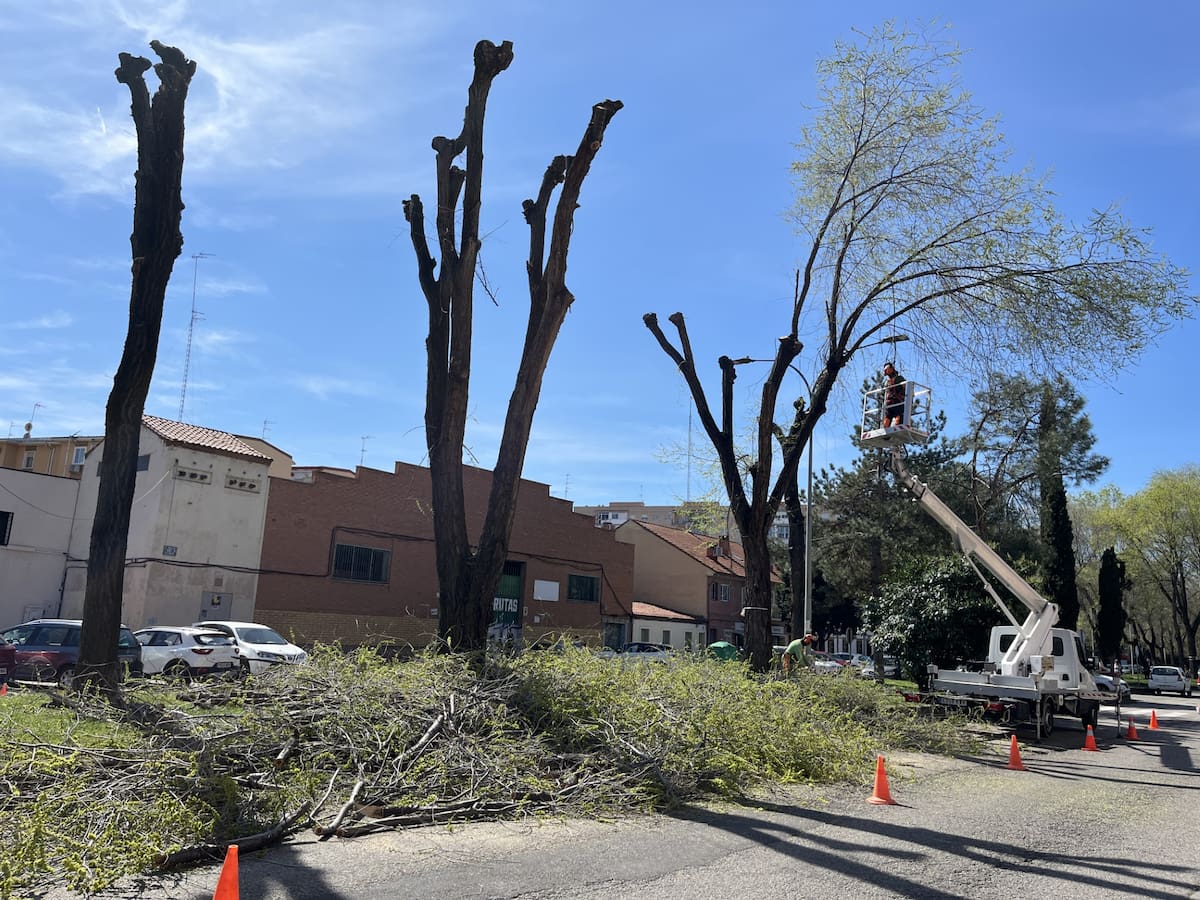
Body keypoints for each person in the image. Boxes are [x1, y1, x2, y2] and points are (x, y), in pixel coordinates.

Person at [881, 361, 906, 428]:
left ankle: (886, 429)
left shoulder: (887, 382)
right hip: (896, 402)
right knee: (899, 415)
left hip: (889, 403)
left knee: (888, 417)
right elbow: (906, 387)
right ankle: (896, 427)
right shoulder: (898, 379)